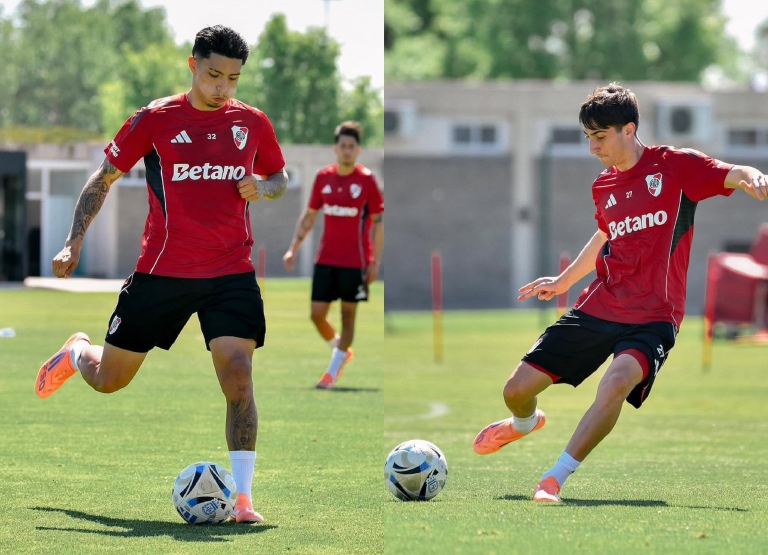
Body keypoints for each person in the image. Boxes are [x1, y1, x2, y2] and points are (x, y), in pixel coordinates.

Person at [34, 25, 287, 524]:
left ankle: (243, 502)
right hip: (162, 273)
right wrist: (73, 241)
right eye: (214, 75)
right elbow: (103, 179)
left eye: (233, 79)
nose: (223, 88)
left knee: (238, 376)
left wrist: (265, 187)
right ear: (192, 65)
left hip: (230, 273)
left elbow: (279, 178)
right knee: (110, 381)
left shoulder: (253, 123)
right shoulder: (155, 119)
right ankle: (77, 351)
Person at [473, 83, 768, 503]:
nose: (593, 147)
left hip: (655, 316)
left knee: (616, 382)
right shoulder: (604, 186)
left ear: (628, 129)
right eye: (588, 137)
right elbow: (604, 236)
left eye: (600, 136)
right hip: (602, 304)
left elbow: (730, 173)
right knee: (515, 391)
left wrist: (751, 177)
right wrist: (563, 282)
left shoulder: (675, 167)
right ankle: (524, 423)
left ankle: (553, 479)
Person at [282, 121, 384, 388]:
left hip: (356, 263)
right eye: (343, 146)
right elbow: (310, 215)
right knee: (316, 314)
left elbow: (379, 223)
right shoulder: (323, 178)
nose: (347, 151)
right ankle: (341, 350)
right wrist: (294, 248)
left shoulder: (366, 181)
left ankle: (332, 370)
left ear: (358, 150)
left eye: (352, 147)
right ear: (335, 148)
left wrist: (375, 261)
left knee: (348, 316)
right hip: (326, 259)